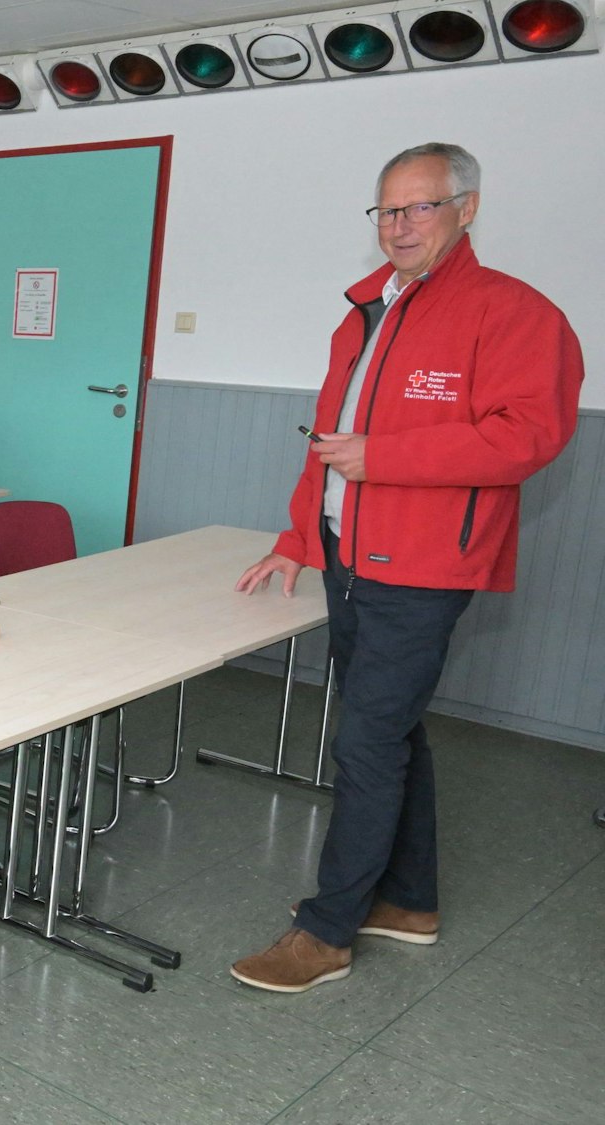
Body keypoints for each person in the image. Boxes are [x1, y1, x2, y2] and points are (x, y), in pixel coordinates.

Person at [230, 143, 583, 994]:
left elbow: (527, 437)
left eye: (420, 207)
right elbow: (328, 443)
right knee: (390, 730)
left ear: (467, 209)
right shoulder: (366, 311)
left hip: (425, 564)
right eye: (386, 210)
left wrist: (383, 456)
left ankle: (327, 930)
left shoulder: (513, 311)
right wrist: (298, 538)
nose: (399, 225)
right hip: (352, 554)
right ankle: (410, 900)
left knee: (365, 741)